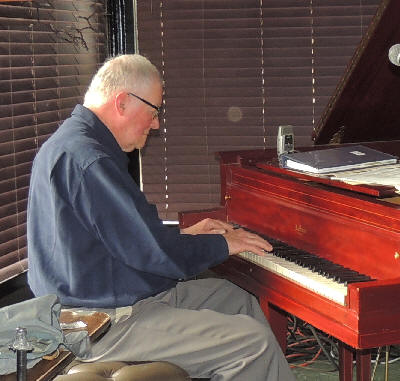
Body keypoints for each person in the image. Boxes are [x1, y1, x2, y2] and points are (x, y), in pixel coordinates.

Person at [27, 54, 295, 380]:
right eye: (154, 111)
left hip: (103, 296)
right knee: (254, 344)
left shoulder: (76, 144)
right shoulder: (90, 160)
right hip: (97, 324)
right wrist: (222, 244)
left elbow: (126, 240)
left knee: (239, 299)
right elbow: (149, 251)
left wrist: (189, 237)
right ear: (122, 102)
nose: (156, 124)